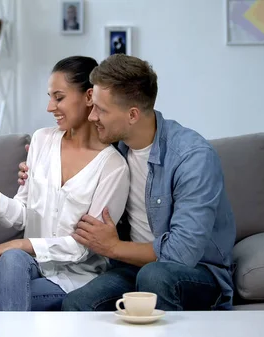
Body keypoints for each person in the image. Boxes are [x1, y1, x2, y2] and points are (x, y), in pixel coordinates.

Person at [19, 54, 236, 312]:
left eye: (101, 110)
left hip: (196, 273)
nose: (91, 117)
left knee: (154, 276)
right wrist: (39, 171)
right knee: (77, 303)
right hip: (131, 268)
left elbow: (182, 253)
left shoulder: (192, 158)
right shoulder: (114, 151)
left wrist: (114, 247)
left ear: (132, 114)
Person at [0, 56, 130, 311]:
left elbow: (84, 247)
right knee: (12, 258)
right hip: (30, 268)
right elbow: (22, 215)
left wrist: (21, 243)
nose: (50, 107)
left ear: (88, 97)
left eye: (59, 97)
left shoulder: (112, 167)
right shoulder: (42, 140)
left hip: (75, 279)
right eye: (50, 97)